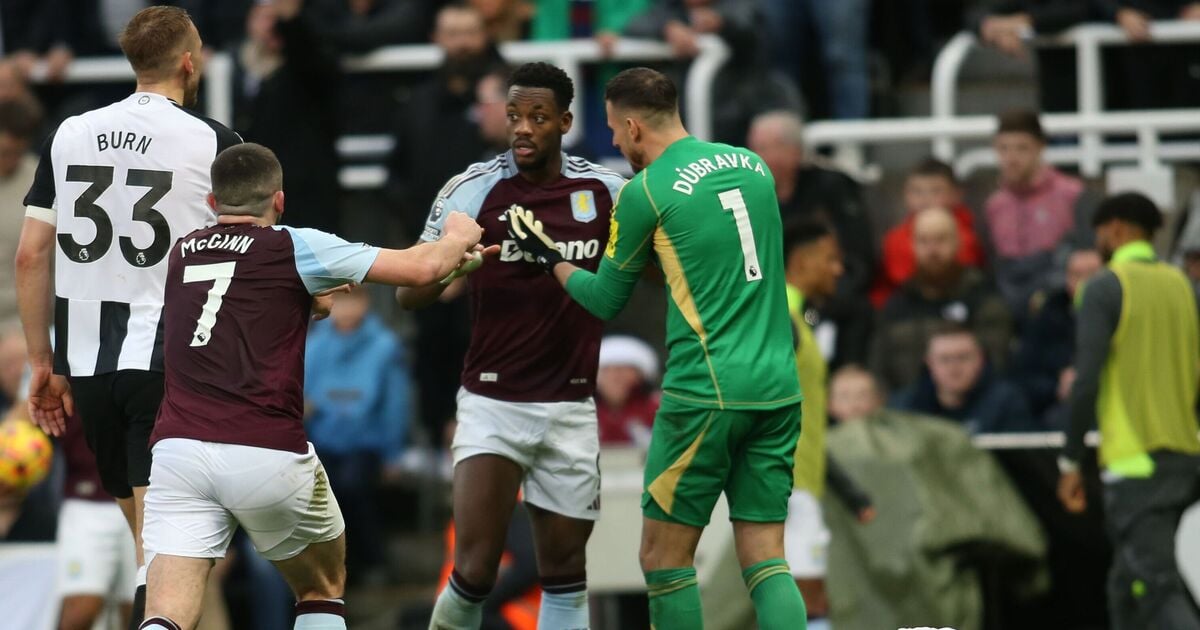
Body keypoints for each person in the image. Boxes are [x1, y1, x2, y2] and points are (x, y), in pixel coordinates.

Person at [137, 142, 487, 630]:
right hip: (263, 449)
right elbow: (422, 269)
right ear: (279, 202)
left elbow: (232, 307)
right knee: (320, 588)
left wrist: (308, 303)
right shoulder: (292, 244)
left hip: (178, 453)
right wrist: (457, 232)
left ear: (213, 204)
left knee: (165, 614)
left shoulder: (181, 253)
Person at [505, 67, 807, 630]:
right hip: (777, 388)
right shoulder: (753, 166)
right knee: (765, 554)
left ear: (634, 126)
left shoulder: (646, 192)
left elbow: (603, 300)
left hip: (705, 392)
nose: (616, 143)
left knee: (664, 560)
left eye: (617, 132)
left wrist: (549, 256)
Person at [14, 7, 242, 625]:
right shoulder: (213, 140)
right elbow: (251, 252)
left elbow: (32, 255)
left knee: (152, 545)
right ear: (189, 63)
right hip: (172, 364)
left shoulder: (69, 132)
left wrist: (44, 361)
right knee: (167, 555)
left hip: (88, 366)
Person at [398, 62, 625, 630]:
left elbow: (650, 272)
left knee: (566, 568)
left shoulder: (606, 191)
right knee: (474, 569)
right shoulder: (472, 190)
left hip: (570, 404)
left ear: (566, 122)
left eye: (538, 117)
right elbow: (409, 293)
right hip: (492, 403)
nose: (522, 127)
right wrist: (455, 265)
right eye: (515, 115)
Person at [1057, 192, 1200, 630]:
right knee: (1126, 586)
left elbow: (1086, 381)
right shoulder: (1184, 287)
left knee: (1154, 587)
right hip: (1185, 452)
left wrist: (1070, 458)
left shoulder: (1103, 287)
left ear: (1115, 229)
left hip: (1136, 458)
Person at [747, 110, 874, 368]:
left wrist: (830, 291)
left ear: (796, 150)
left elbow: (860, 256)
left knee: (857, 312)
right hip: (767, 298)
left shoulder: (833, 187)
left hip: (830, 295)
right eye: (756, 148)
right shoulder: (743, 196)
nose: (761, 157)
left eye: (772, 147)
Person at [304, 286, 411, 584]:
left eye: (353, 300)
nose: (346, 309)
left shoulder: (385, 345)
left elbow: (395, 403)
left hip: (366, 444)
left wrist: (393, 455)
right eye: (340, 301)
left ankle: (372, 562)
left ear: (365, 302)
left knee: (354, 489)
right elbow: (302, 393)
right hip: (321, 442)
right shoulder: (315, 344)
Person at [871, 207, 1012, 393]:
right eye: (923, 241)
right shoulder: (899, 302)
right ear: (913, 245)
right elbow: (878, 367)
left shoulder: (981, 296)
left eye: (941, 239)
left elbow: (996, 362)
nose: (932, 249)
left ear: (958, 243)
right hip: (907, 410)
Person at [234, 0, 340, 233]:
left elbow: (314, 63)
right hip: (256, 185)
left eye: (276, 19)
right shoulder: (236, 64)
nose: (271, 26)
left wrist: (292, 23)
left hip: (304, 187)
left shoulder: (308, 61)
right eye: (264, 18)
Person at [984, 109, 1095, 316]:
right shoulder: (994, 205)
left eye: (1022, 148)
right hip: (1008, 299)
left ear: (1040, 147)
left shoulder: (1072, 195)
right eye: (1003, 149)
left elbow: (1086, 250)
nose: (1011, 158)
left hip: (1058, 300)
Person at [55, 411, 137, 630]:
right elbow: (29, 408)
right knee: (79, 613)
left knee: (141, 611)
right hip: (87, 499)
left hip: (149, 497)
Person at [871, 157, 986, 308]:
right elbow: (893, 284)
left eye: (936, 191)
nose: (925, 199)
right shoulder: (895, 239)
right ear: (905, 195)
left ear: (956, 194)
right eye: (917, 191)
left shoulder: (968, 236)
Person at [891, 323, 1038, 434]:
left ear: (980, 359)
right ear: (929, 363)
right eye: (945, 359)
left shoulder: (1006, 401)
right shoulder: (905, 407)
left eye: (963, 357)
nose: (954, 368)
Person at [1013, 249, 1102, 425]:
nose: (1085, 283)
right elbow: (1021, 377)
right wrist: (1057, 386)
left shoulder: (1125, 318)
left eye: (1092, 275)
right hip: (1056, 411)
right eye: (1076, 275)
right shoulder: (1046, 319)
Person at [0, 96, 44, 325]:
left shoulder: (40, 180)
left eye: (17, 153)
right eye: (5, 151)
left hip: (20, 319)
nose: (10, 160)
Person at [595, 334, 661, 447]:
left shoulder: (660, 409)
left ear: (640, 376)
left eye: (621, 371)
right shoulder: (576, 411)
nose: (613, 378)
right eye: (605, 371)